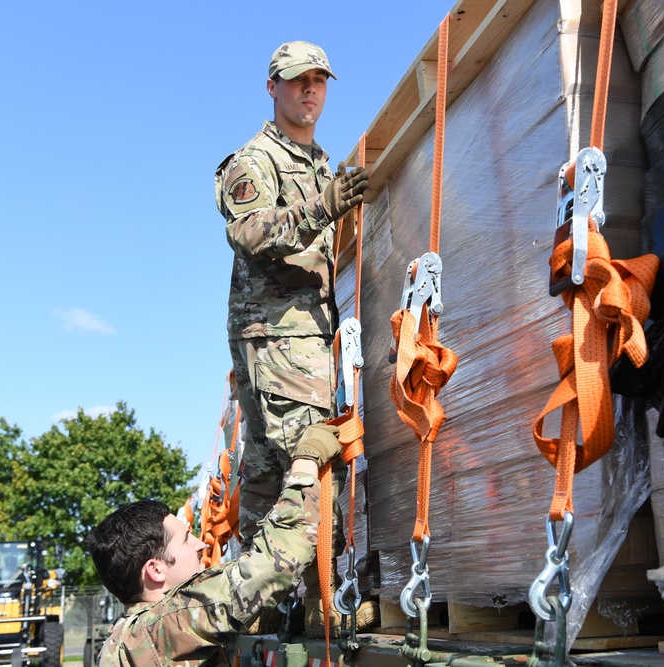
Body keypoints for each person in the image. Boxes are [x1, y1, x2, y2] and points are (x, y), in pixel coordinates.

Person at [213, 40, 376, 636]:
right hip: (279, 341)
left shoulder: (321, 164)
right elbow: (250, 233)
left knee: (262, 478)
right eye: (296, 80)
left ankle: (246, 609)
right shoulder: (251, 161)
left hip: (308, 339)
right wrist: (323, 206)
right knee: (309, 461)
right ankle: (320, 603)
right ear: (272, 88)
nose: (310, 90)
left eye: (319, 80)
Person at [86, 424, 342, 666]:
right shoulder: (164, 626)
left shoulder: (129, 637)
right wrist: (306, 462)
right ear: (155, 570)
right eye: (186, 539)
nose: (200, 545)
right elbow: (274, 565)